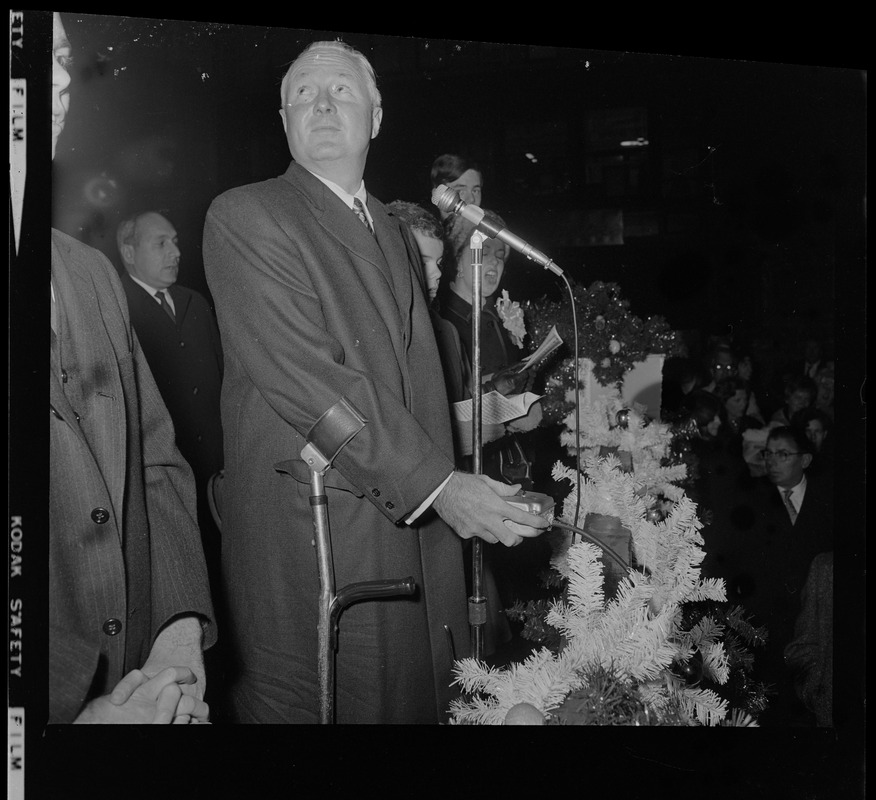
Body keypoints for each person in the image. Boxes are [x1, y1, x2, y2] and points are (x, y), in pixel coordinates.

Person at [202, 40, 548, 724]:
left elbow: (416, 386)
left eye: (341, 92)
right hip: (325, 536)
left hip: (403, 521)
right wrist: (442, 486)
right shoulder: (246, 215)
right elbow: (307, 381)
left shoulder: (390, 226)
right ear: (283, 118)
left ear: (376, 118)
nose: (322, 104)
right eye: (304, 93)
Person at [50, 12, 215, 724]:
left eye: (60, 56)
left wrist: (178, 625)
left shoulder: (85, 275)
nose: (56, 77)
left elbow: (154, 455)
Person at [115, 211, 224, 572]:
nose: (175, 251)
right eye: (161, 243)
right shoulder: (114, 309)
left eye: (175, 241)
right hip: (158, 479)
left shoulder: (196, 303)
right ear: (129, 253)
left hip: (214, 475)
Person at [738, 426, 832, 724]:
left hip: (813, 623)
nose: (772, 462)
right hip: (766, 625)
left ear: (805, 460)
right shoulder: (750, 499)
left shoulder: (831, 501)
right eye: (768, 454)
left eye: (783, 455)